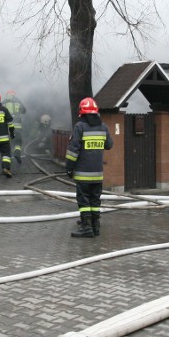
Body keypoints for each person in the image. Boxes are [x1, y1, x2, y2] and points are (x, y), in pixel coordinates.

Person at [65, 97, 113, 237]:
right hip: (98, 174)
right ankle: (95, 227)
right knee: (95, 200)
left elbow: (73, 150)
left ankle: (87, 229)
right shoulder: (103, 127)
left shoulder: (80, 127)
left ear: (82, 112)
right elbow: (109, 145)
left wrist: (69, 167)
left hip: (82, 173)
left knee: (84, 201)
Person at [2, 89, 27, 163]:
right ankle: (17, 153)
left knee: (7, 141)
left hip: (6, 126)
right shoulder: (18, 101)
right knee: (18, 141)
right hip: (17, 126)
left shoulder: (3, 102)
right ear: (14, 95)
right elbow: (24, 111)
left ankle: (6, 157)